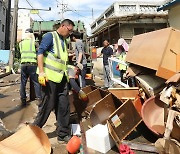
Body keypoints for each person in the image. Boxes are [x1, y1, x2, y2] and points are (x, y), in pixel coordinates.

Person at [33, 19, 74, 143]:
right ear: (63, 26)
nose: (70, 33)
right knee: (47, 106)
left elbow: (61, 61)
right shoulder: (50, 36)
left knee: (64, 106)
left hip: (61, 79)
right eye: (69, 30)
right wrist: (41, 72)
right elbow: (40, 53)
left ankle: (63, 134)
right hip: (49, 78)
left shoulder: (63, 40)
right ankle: (34, 130)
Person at [19, 28, 41, 106]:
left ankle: (23, 99)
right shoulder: (35, 43)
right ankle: (39, 99)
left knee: (23, 83)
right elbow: (39, 54)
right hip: (32, 65)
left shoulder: (20, 43)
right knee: (36, 83)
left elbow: (21, 52)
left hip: (23, 65)